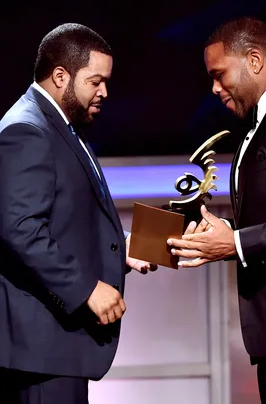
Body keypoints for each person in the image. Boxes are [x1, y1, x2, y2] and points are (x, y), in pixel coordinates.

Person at [0, 23, 156, 404]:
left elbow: (61, 221)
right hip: (40, 351)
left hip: (54, 349)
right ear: (60, 76)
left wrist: (121, 246)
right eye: (95, 81)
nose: (104, 92)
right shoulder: (27, 129)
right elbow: (19, 228)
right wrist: (85, 288)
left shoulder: (58, 125)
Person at [167, 17, 266, 403]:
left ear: (253, 60)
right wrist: (222, 234)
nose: (214, 88)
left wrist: (236, 242)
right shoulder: (263, 121)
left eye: (219, 74)